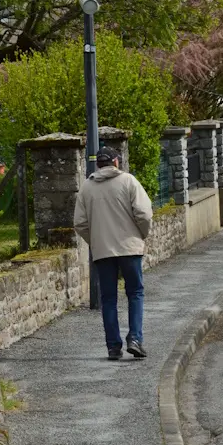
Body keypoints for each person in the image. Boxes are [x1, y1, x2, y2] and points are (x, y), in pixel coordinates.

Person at [73, 146, 153, 361]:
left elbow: (79, 223)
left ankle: (113, 347)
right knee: (135, 293)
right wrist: (141, 235)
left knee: (108, 298)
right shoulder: (129, 182)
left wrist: (96, 240)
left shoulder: (86, 188)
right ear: (116, 162)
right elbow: (144, 214)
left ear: (98, 164)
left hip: (103, 251)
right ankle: (135, 339)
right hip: (130, 248)